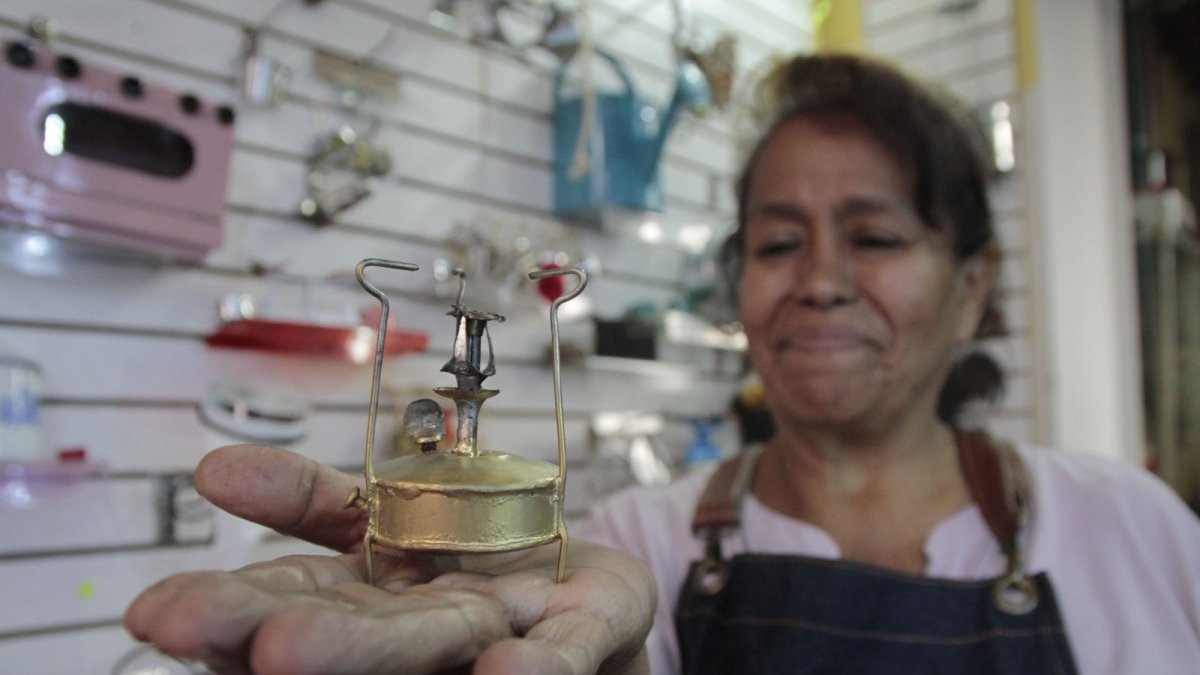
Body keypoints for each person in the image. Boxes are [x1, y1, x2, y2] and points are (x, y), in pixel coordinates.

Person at [125, 53, 1200, 674]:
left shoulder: (1133, 532)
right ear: (738, 283)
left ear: (972, 282)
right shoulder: (633, 548)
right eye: (778, 242)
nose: (819, 280)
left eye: (875, 237)